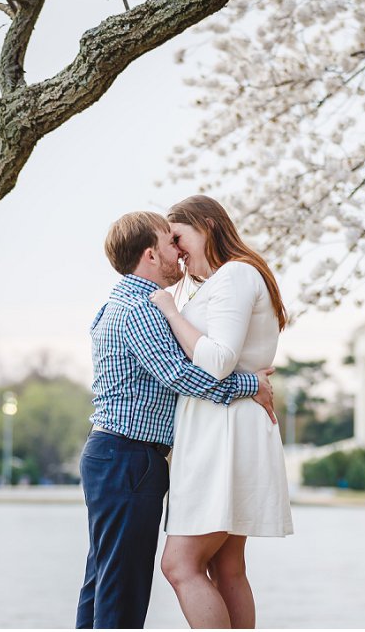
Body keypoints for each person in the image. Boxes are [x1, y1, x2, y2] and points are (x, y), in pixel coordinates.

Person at [76, 211, 277, 630]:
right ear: (151, 254)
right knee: (121, 586)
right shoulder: (142, 308)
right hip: (129, 457)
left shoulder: (120, 302)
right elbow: (181, 375)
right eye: (171, 244)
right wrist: (249, 385)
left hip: (118, 455)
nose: (179, 254)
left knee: (104, 578)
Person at [150, 195, 294, 628]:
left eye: (179, 237)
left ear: (207, 225)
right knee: (226, 567)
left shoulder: (234, 275)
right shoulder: (231, 278)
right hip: (229, 424)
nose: (176, 250)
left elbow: (217, 360)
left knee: (180, 565)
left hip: (224, 431)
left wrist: (173, 313)